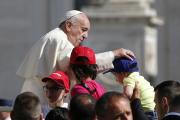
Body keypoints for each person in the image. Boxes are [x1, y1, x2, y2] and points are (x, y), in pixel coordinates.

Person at [16, 9, 134, 104]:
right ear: (68, 26)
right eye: (83, 30)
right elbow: (80, 64)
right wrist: (114, 54)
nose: (85, 36)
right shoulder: (59, 39)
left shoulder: (55, 37)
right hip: (41, 99)